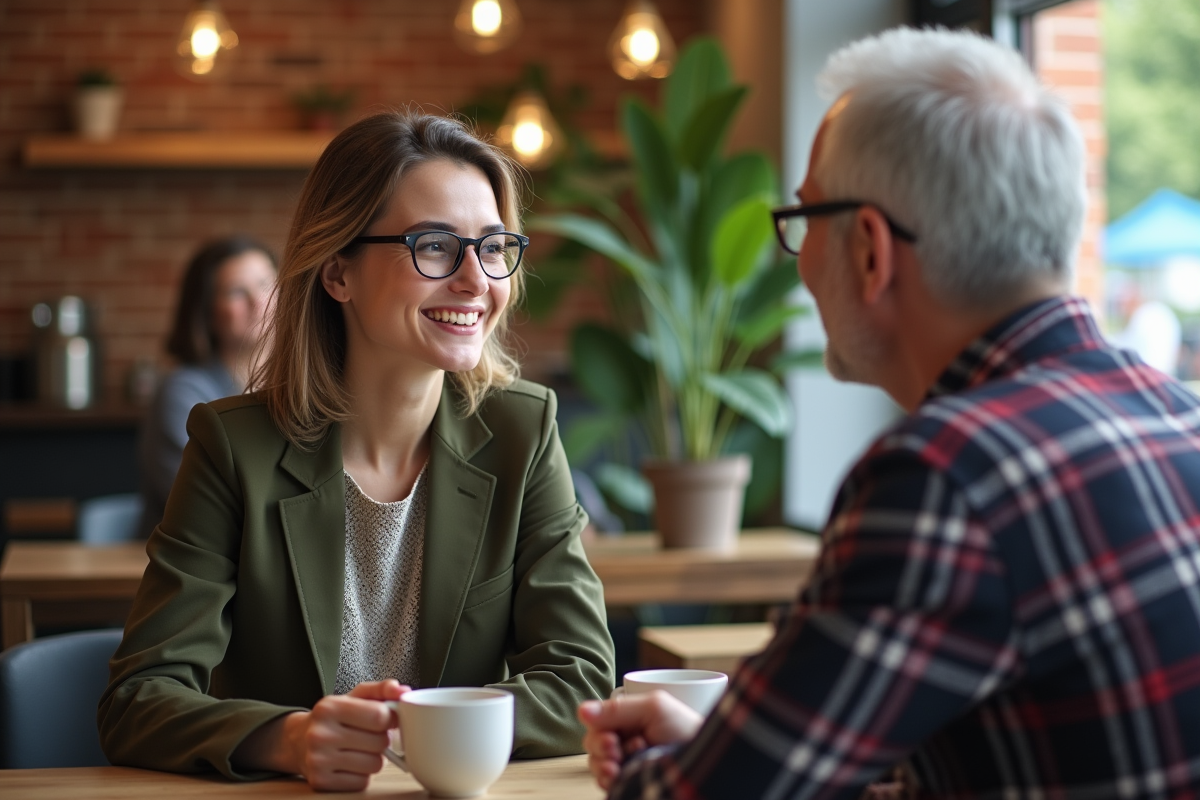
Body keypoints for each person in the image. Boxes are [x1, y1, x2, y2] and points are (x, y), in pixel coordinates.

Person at [579, 27, 1200, 799]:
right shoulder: (1178, 412)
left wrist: (660, 774)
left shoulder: (946, 477)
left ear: (871, 250)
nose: (798, 259)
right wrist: (726, 746)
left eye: (805, 220)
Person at [100, 111, 615, 791]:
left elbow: (580, 675)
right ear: (337, 271)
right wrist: (288, 738)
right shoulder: (233, 448)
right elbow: (140, 699)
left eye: (492, 247)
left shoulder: (522, 434)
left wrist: (429, 726)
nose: (475, 281)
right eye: (434, 246)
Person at [137, 236, 278, 537]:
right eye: (237, 291)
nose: (258, 302)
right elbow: (207, 509)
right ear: (207, 312)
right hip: (194, 564)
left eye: (266, 284)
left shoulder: (300, 385)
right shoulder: (183, 394)